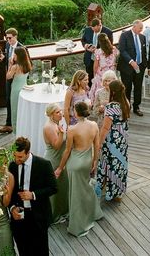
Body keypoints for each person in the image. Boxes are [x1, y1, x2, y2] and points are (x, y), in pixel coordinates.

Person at [55, 101, 103, 236]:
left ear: (76, 112)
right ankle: (93, 212)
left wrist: (60, 168)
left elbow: (67, 151)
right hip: (87, 161)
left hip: (75, 164)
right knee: (86, 188)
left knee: (76, 194)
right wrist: (95, 161)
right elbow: (97, 145)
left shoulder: (72, 129)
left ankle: (78, 225)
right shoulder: (94, 125)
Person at [8, 136, 57, 256]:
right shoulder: (13, 165)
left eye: (20, 157)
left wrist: (33, 195)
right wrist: (13, 207)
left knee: (40, 251)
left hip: (38, 217)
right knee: (23, 249)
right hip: (19, 217)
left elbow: (53, 188)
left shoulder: (44, 165)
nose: (16, 159)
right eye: (15, 155)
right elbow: (10, 191)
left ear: (28, 153)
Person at [96, 79, 130, 202]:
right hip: (123, 138)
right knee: (119, 163)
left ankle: (107, 188)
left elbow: (105, 127)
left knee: (108, 162)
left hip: (112, 139)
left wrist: (99, 143)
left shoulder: (111, 107)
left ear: (113, 92)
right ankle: (118, 190)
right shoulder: (126, 102)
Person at [43, 103, 69, 224]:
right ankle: (53, 215)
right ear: (51, 114)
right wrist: (62, 134)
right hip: (54, 160)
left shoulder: (56, 124)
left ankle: (62, 210)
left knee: (62, 187)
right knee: (54, 190)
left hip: (60, 160)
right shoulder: (49, 127)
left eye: (61, 111)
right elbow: (57, 146)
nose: (61, 114)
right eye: (57, 112)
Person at [0, 27, 24, 134]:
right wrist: (4, 59)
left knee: (17, 101)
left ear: (15, 37)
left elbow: (26, 64)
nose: (8, 40)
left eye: (10, 38)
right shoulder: (7, 46)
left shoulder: (22, 48)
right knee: (8, 100)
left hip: (18, 78)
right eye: (7, 38)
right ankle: (9, 124)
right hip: (9, 77)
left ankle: (17, 123)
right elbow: (8, 61)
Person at [118, 20, 147, 116]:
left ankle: (136, 107)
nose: (141, 30)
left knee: (138, 87)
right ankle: (126, 107)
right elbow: (122, 50)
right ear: (134, 27)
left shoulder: (142, 37)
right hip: (127, 67)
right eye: (140, 28)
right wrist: (131, 61)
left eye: (142, 28)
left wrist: (144, 65)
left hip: (140, 67)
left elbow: (143, 52)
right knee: (127, 88)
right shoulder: (125, 35)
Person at [81, 18, 113, 85]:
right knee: (89, 78)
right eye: (92, 29)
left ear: (99, 25)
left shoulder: (108, 32)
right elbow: (83, 40)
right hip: (89, 58)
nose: (93, 31)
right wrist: (86, 46)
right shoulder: (88, 30)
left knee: (100, 80)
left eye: (95, 30)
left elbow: (109, 47)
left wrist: (97, 50)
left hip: (101, 62)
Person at [88, 33, 118, 102]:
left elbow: (95, 66)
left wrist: (94, 76)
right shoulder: (114, 50)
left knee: (99, 92)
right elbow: (115, 59)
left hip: (101, 76)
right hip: (111, 74)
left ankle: (98, 104)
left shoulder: (98, 52)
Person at [8, 46, 33, 130]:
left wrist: (10, 65)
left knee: (15, 110)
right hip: (24, 88)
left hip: (16, 90)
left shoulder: (15, 67)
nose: (13, 56)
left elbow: (8, 77)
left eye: (15, 54)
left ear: (18, 55)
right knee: (22, 110)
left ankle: (16, 130)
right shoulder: (27, 64)